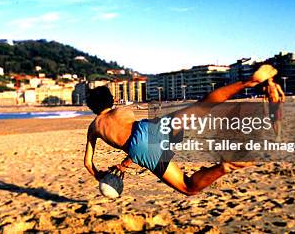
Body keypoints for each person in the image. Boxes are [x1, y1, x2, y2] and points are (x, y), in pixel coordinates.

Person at [83, 65, 278, 196]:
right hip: (149, 127)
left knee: (188, 187)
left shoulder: (94, 127)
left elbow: (88, 163)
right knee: (204, 105)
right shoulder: (123, 110)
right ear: (112, 101)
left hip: (140, 146)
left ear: (92, 108)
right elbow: (136, 134)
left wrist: (101, 176)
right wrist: (127, 161)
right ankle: (248, 82)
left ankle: (225, 167)